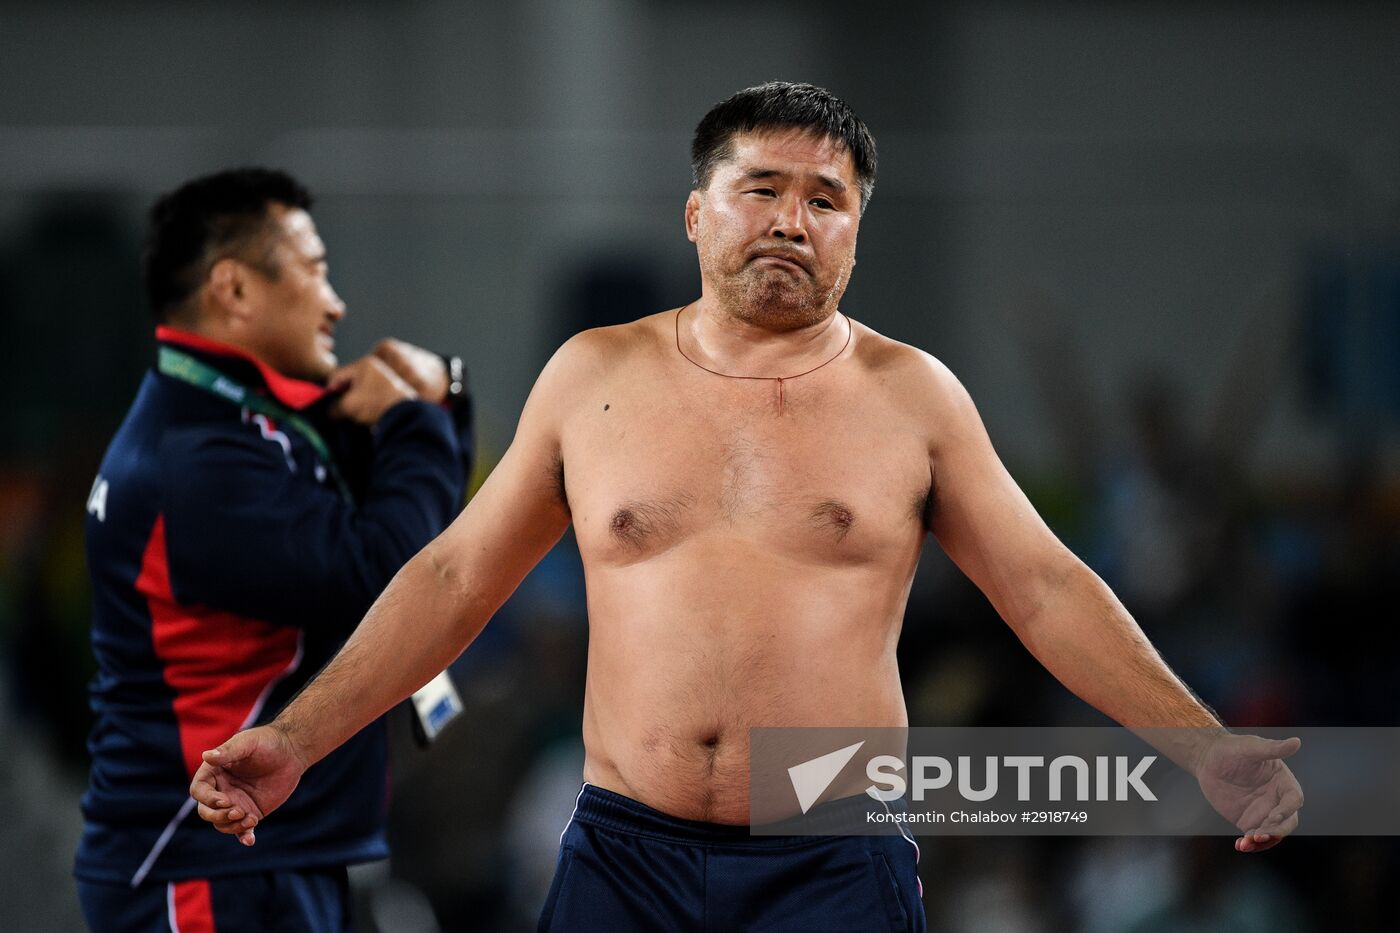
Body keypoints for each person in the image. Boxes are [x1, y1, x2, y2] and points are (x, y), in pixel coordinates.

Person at [191, 86, 1302, 932]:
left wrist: (1202, 750)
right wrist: (296, 739)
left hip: (832, 854)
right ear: (694, 213)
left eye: (825, 201)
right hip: (624, 853)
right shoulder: (591, 377)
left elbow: (1046, 589)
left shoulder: (913, 398)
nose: (790, 219)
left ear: (854, 236)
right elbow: (452, 580)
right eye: (759, 189)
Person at [75, 168, 474, 932]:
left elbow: (434, 531)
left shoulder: (248, 425)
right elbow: (395, 578)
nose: (337, 302)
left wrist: (440, 397)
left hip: (274, 852)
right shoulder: (194, 460)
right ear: (234, 289)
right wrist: (415, 423)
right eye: (316, 270)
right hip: (205, 865)